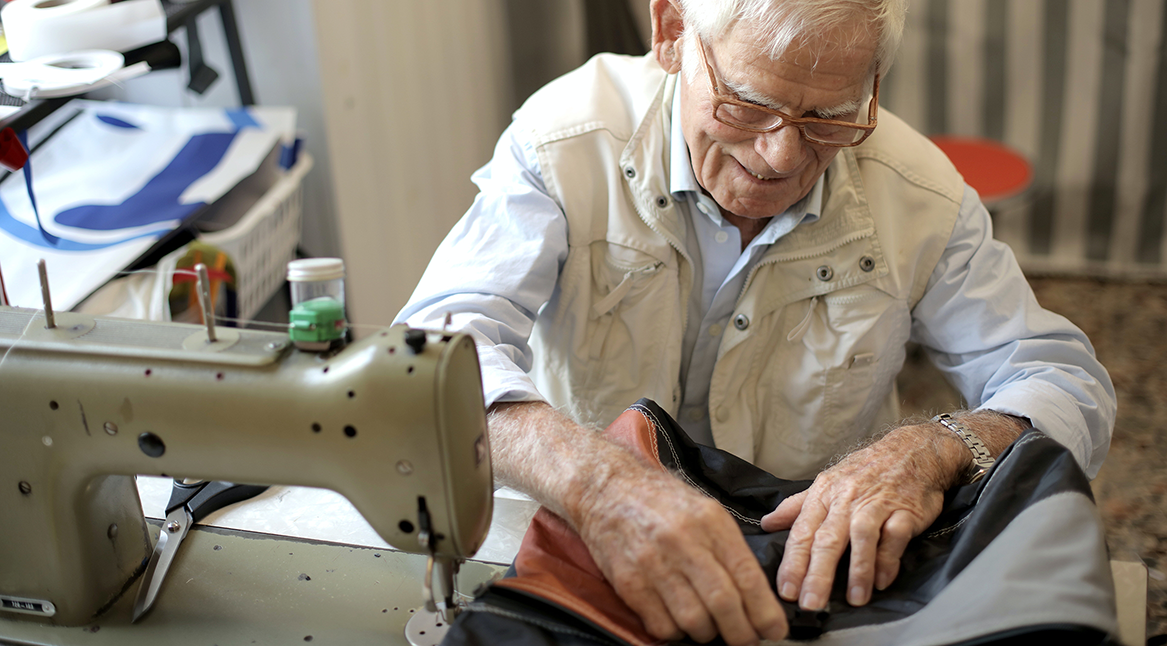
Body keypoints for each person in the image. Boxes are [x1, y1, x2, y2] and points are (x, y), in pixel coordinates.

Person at [396, 1, 1116, 644]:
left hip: (810, 576)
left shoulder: (921, 194)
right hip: (590, 545)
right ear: (672, 31)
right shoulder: (565, 143)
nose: (779, 156)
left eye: (829, 117)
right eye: (746, 105)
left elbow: (1062, 379)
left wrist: (935, 447)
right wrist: (600, 483)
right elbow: (430, 358)